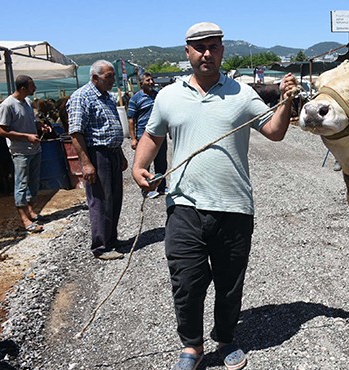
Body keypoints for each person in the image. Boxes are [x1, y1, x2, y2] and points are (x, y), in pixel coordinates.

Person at [132, 21, 298, 370]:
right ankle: (191, 346)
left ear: (222, 51)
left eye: (214, 46)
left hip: (234, 207)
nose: (207, 53)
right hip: (184, 207)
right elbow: (152, 135)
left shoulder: (242, 94)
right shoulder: (168, 96)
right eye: (199, 47)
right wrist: (139, 166)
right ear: (187, 52)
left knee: (229, 284)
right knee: (186, 283)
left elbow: (275, 132)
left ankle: (225, 338)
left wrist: (285, 102)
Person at [66, 60, 129, 261]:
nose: (112, 81)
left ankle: (112, 239)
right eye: (108, 77)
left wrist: (120, 154)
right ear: (94, 78)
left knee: (115, 198)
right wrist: (86, 163)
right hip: (97, 154)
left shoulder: (108, 98)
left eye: (112, 76)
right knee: (101, 200)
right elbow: (76, 133)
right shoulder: (81, 97)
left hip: (111, 153)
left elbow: (111, 129)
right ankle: (100, 246)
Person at [0, 75, 49, 233]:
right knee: (21, 184)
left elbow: (30, 121)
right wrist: (26, 137)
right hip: (20, 151)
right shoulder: (7, 105)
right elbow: (1, 130)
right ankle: (24, 219)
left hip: (34, 149)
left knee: (33, 183)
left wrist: (41, 126)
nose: (35, 88)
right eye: (32, 86)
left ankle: (30, 210)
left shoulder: (27, 102)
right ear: (23, 88)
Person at [128, 72, 167, 198]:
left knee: (161, 162)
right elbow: (131, 120)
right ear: (141, 83)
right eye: (147, 80)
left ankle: (162, 187)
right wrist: (133, 138)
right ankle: (147, 189)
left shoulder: (158, 96)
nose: (151, 82)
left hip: (160, 134)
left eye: (152, 79)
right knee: (145, 163)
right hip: (143, 135)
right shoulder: (135, 99)